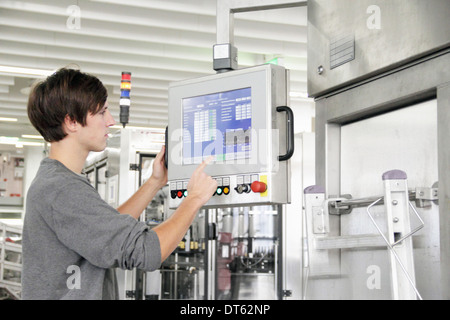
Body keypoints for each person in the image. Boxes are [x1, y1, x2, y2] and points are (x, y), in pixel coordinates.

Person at [22, 67, 217, 299]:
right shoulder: (61, 188)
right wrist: (194, 199)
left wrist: (154, 182)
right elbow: (146, 251)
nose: (111, 121)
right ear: (72, 121)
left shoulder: (58, 181)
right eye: (102, 112)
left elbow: (111, 231)